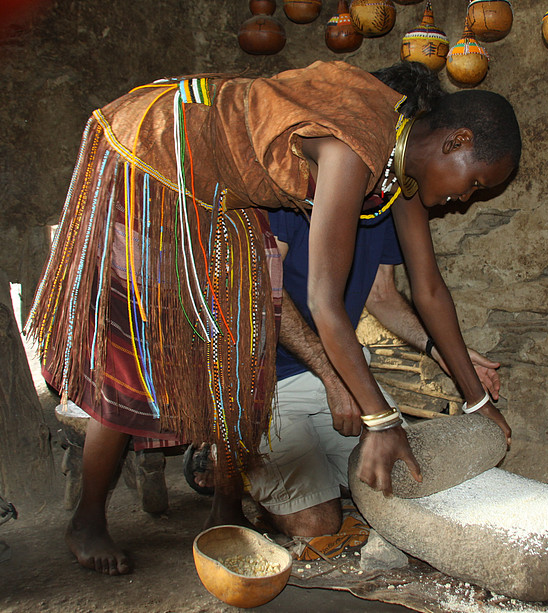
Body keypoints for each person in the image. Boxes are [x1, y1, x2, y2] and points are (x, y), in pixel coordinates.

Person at [25, 60, 521, 575]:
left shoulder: (399, 172)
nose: (466, 198)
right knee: (135, 359)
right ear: (454, 140)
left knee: (229, 345)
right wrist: (381, 419)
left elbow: (430, 290)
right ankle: (87, 519)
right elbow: (325, 304)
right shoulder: (355, 147)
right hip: (155, 158)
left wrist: (477, 399)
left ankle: (225, 505)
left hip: (218, 190)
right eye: (475, 182)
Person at [205, 203, 503, 537]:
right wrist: (333, 376)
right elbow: (261, 290)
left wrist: (441, 351)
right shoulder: (288, 199)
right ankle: (229, 453)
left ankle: (317, 471)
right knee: (316, 527)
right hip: (267, 382)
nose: (462, 196)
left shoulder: (384, 209)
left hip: (340, 373)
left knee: (405, 476)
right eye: (472, 183)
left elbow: (382, 294)